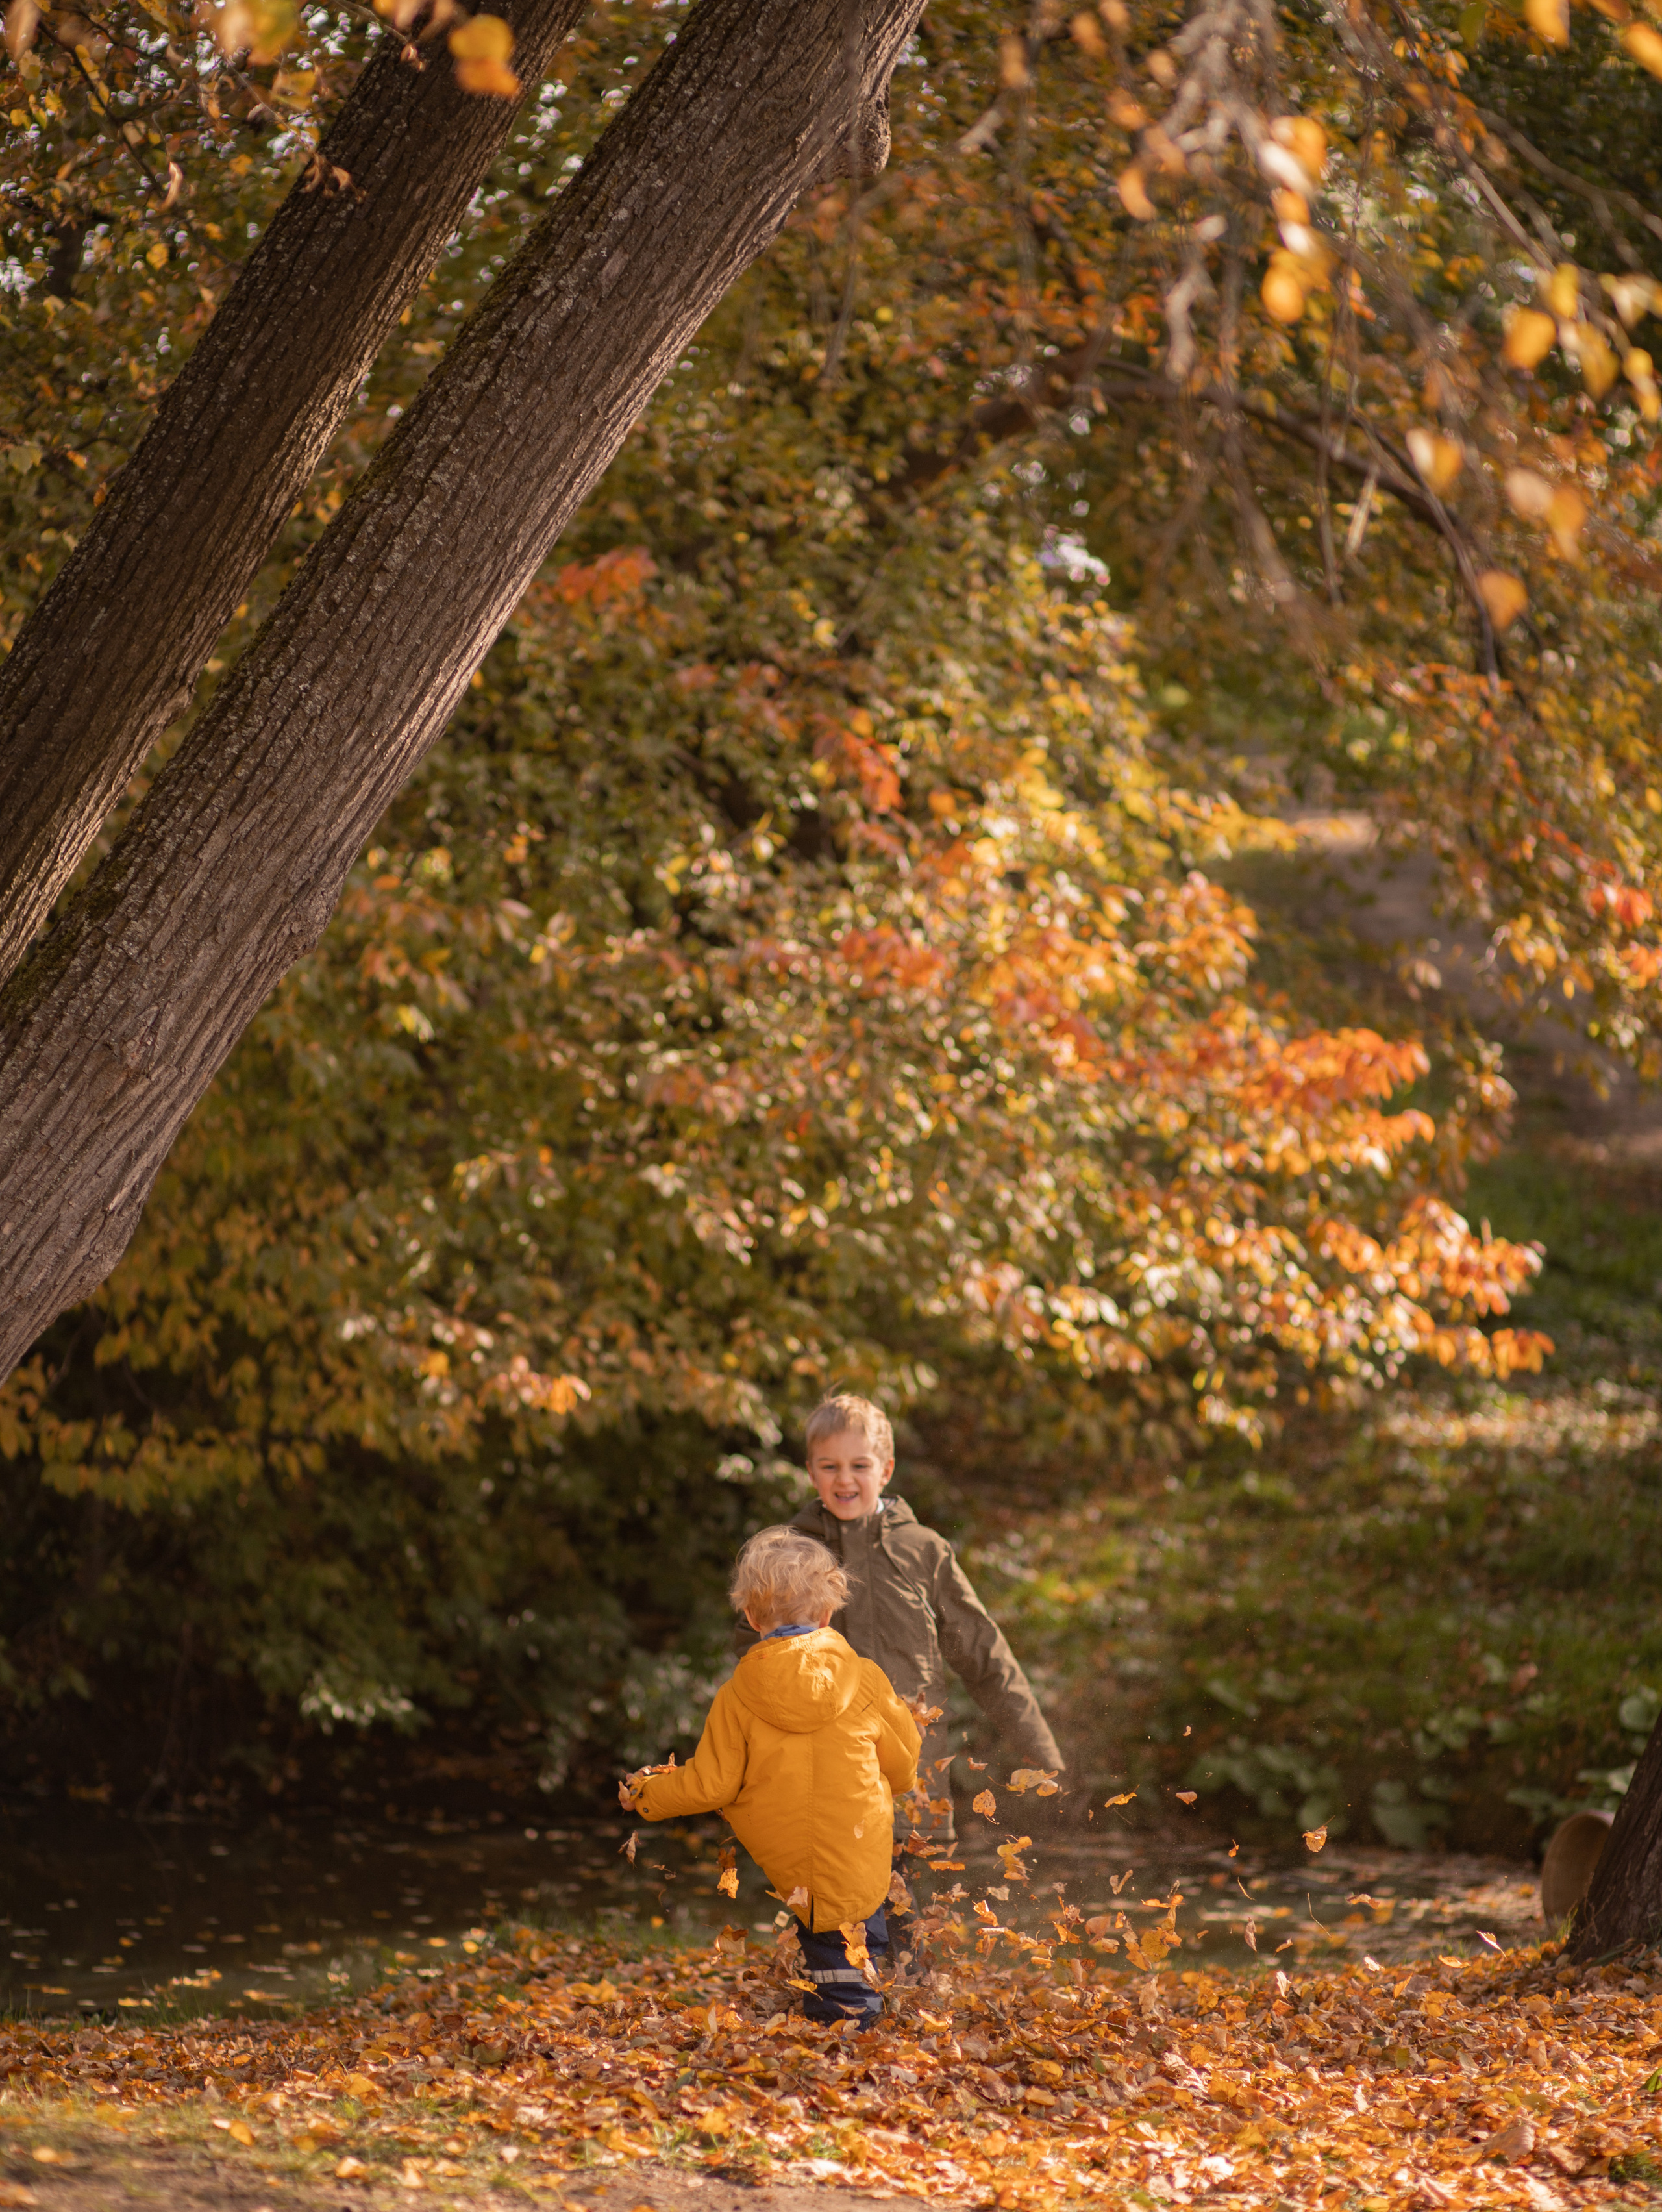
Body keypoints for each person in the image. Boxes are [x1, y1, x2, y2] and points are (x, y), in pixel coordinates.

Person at [621, 1524, 920, 2028]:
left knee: (830, 1949)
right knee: (856, 1933)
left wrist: (647, 1794)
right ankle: (859, 2024)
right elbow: (905, 1764)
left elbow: (710, 1784)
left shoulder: (738, 1695)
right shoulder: (866, 1678)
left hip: (796, 1863)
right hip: (859, 1843)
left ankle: (846, 2033)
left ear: (752, 1615)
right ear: (828, 1613)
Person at [735, 1393, 1062, 1848]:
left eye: (860, 1465)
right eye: (829, 1466)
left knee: (906, 1914)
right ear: (811, 1472)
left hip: (910, 1777)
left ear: (885, 1469)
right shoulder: (790, 1553)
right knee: (829, 1913)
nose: (844, 1479)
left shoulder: (923, 1551)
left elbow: (983, 1652)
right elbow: (751, 1654)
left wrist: (1039, 1748)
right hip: (820, 1781)